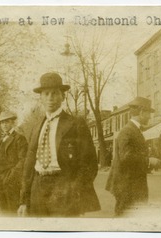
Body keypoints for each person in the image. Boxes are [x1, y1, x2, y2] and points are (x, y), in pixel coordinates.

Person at [17, 72, 100, 217]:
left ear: (62, 96)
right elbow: (28, 165)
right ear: (41, 98)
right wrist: (24, 200)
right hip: (38, 188)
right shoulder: (36, 127)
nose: (50, 98)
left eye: (55, 93)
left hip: (64, 189)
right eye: (46, 94)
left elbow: (89, 164)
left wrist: (74, 190)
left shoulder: (75, 124)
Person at [105, 96, 155, 216]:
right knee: (124, 219)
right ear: (142, 112)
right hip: (126, 186)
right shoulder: (128, 131)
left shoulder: (133, 130)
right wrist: (149, 161)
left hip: (130, 184)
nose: (150, 116)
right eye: (148, 113)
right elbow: (126, 157)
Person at [0, 111, 28, 214]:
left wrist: (12, 176)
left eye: (7, 122)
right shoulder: (1, 139)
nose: (4, 125)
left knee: (12, 209)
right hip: (0, 178)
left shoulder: (19, 138)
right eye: (2, 122)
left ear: (13, 122)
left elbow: (23, 160)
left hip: (12, 180)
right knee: (4, 209)